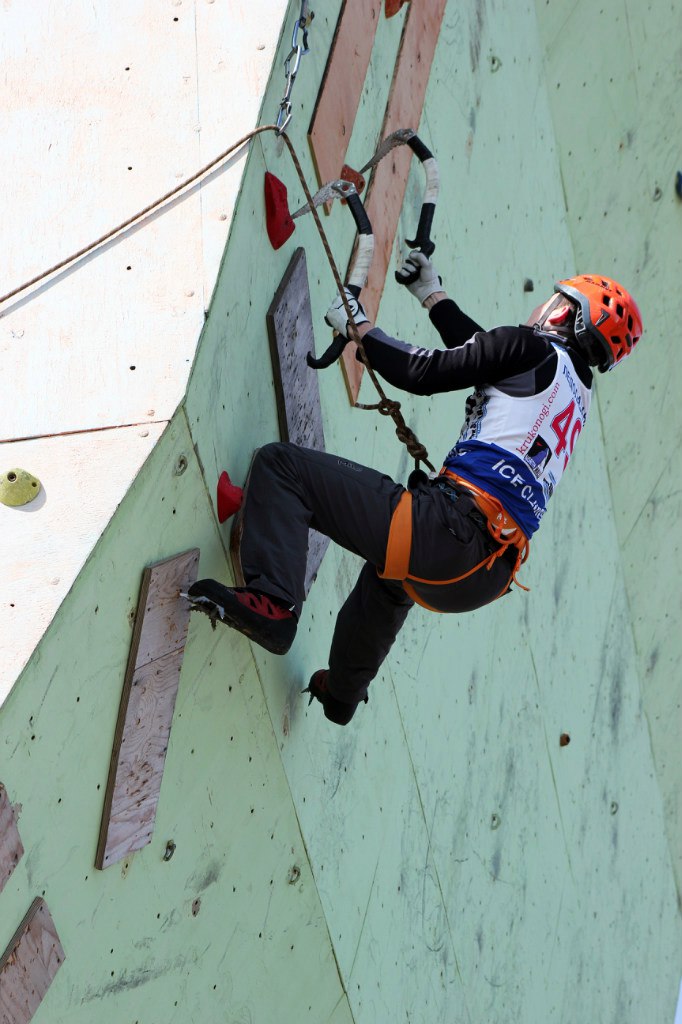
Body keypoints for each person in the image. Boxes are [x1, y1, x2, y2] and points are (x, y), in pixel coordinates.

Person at [187, 256, 642, 725]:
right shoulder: (574, 394)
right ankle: (342, 694)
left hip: (447, 531)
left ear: (564, 314)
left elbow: (425, 371)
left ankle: (275, 603)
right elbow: (483, 354)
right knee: (391, 577)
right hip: (484, 574)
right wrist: (432, 295)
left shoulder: (531, 349)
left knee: (282, 467)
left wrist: (359, 328)